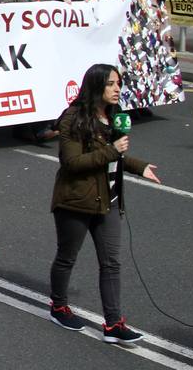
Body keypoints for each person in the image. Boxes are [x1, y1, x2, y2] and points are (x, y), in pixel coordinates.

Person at [47, 64, 160, 343]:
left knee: (111, 263)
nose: (117, 89)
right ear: (96, 86)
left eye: (118, 83)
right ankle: (58, 307)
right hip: (77, 200)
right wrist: (112, 150)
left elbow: (114, 156)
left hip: (108, 199)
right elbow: (72, 162)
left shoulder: (113, 116)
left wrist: (140, 167)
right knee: (67, 257)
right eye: (110, 84)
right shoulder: (74, 118)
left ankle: (113, 324)